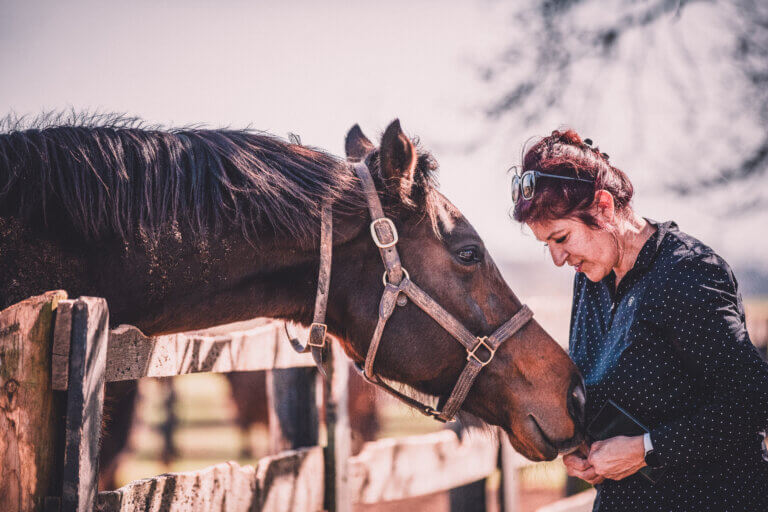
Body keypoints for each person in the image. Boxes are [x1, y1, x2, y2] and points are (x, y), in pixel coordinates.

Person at [510, 129, 768, 511]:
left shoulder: (688, 273)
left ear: (604, 207)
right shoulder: (592, 279)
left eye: (561, 238)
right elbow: (600, 385)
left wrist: (645, 450)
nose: (557, 259)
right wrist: (584, 447)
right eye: (546, 244)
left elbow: (750, 402)